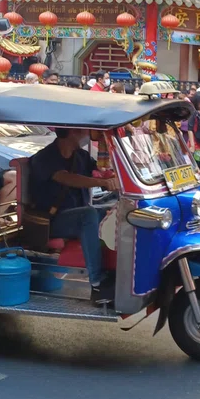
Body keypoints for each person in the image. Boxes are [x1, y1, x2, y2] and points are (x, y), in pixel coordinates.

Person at [29, 127, 119, 304]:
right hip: (51, 221)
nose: (87, 135)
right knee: (89, 214)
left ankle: (116, 271)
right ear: (71, 132)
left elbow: (98, 170)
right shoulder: (44, 158)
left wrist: (110, 174)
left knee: (112, 211)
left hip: (76, 215)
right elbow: (68, 178)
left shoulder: (81, 156)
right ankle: (97, 282)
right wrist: (102, 182)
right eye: (84, 131)